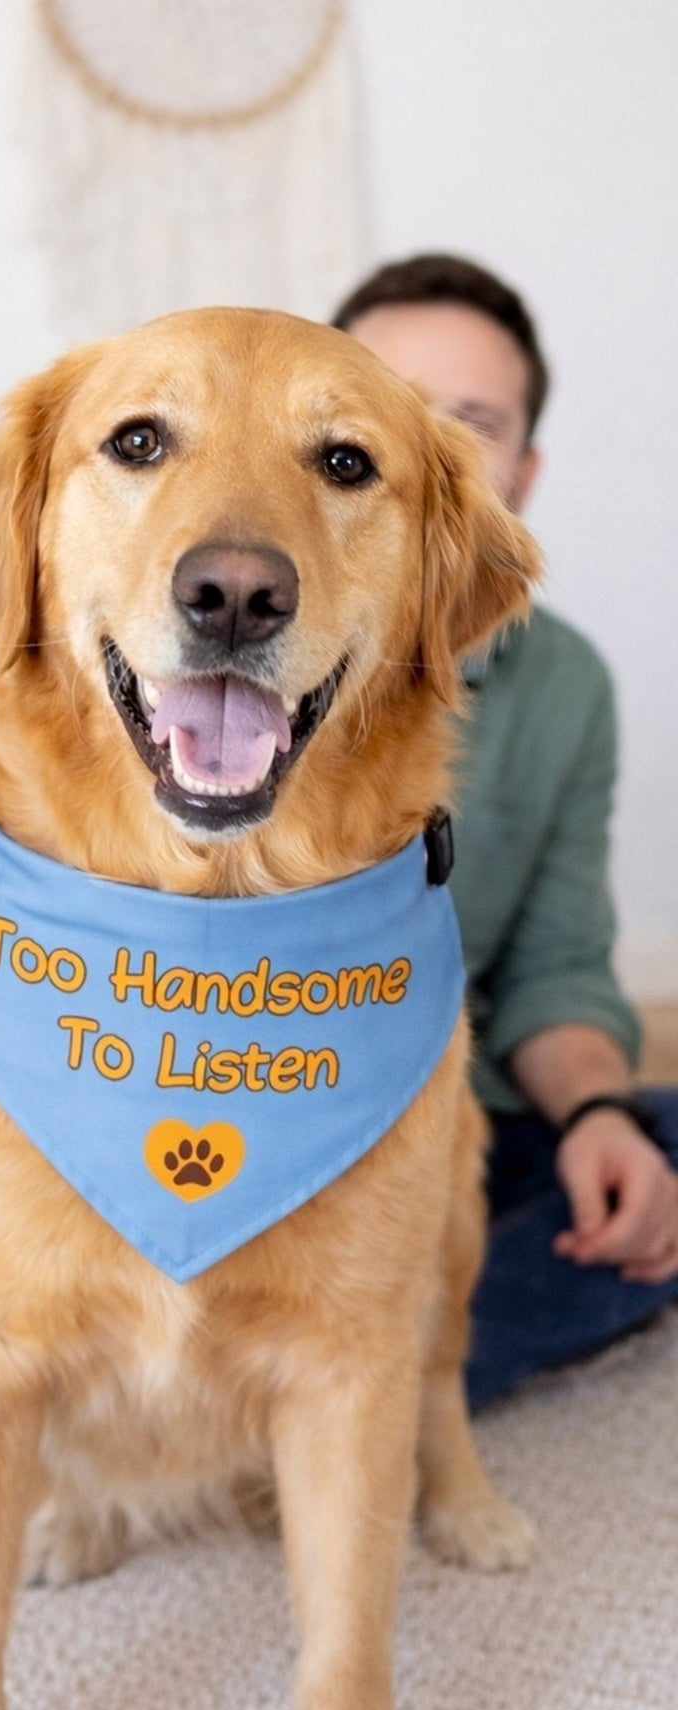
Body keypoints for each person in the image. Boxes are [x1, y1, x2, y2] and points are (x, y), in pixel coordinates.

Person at [331, 254, 678, 1407]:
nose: (421, 445)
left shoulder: (565, 681)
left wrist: (593, 1112)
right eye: (373, 400)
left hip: (436, 1118)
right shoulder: (227, 630)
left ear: (520, 475)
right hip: (223, 1102)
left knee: (652, 1150)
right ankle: (351, 1377)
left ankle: (351, 1378)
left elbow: (555, 965)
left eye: (468, 422)